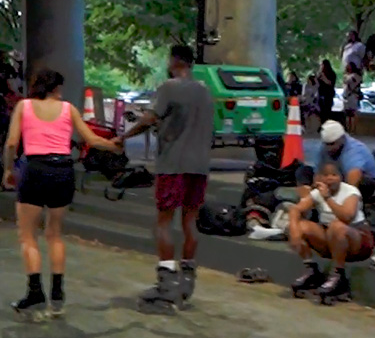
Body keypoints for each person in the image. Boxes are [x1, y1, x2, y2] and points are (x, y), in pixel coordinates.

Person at [2, 69, 121, 319]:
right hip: (63, 170)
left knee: (27, 236)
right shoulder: (69, 110)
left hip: (34, 169)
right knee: (55, 235)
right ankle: (57, 296)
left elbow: (12, 142)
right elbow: (91, 139)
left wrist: (9, 169)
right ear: (56, 88)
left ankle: (35, 294)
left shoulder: (24, 107)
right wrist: (113, 145)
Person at [115, 44, 215, 311]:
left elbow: (149, 118)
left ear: (173, 62)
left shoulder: (169, 87)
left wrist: (123, 137)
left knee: (163, 221)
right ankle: (188, 279)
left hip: (173, 164)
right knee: (190, 221)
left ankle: (166, 281)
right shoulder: (205, 91)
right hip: (200, 165)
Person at [289, 161, 375, 301]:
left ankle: (338, 275)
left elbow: (347, 217)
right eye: (325, 175)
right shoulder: (317, 193)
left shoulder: (351, 192)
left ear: (340, 177)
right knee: (302, 226)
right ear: (319, 178)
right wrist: (294, 232)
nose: (330, 178)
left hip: (357, 238)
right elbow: (295, 209)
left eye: (334, 175)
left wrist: (327, 198)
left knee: (337, 226)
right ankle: (311, 269)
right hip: (332, 239)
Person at [311, 120, 375, 200]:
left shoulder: (354, 149)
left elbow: (354, 176)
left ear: (342, 139)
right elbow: (318, 173)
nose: (329, 148)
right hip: (339, 179)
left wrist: (344, 200)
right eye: (327, 144)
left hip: (365, 183)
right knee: (303, 171)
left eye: (332, 144)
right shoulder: (323, 148)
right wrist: (317, 191)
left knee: (363, 182)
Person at [342, 61, 363, 130]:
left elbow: (346, 83)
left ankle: (349, 128)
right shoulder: (358, 76)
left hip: (349, 96)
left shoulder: (348, 77)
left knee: (349, 114)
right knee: (352, 114)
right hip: (354, 96)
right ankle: (352, 129)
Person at [317, 59, 338, 124]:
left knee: (327, 110)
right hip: (321, 93)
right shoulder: (320, 74)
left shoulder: (332, 74)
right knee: (321, 110)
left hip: (328, 94)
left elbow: (330, 83)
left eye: (322, 65)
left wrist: (324, 78)